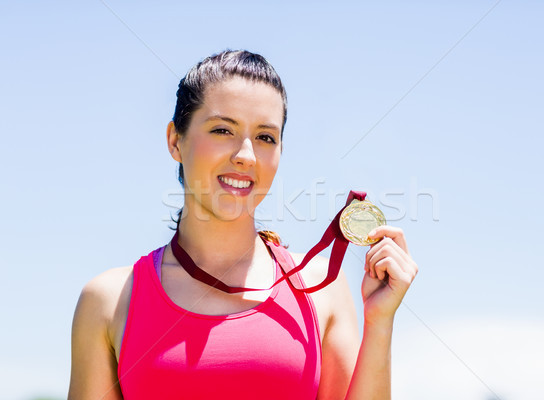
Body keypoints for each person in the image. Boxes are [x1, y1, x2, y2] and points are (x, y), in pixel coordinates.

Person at [68, 50, 418, 400]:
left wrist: (379, 322)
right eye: (223, 130)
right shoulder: (110, 301)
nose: (246, 156)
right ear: (176, 140)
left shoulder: (321, 290)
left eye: (266, 137)